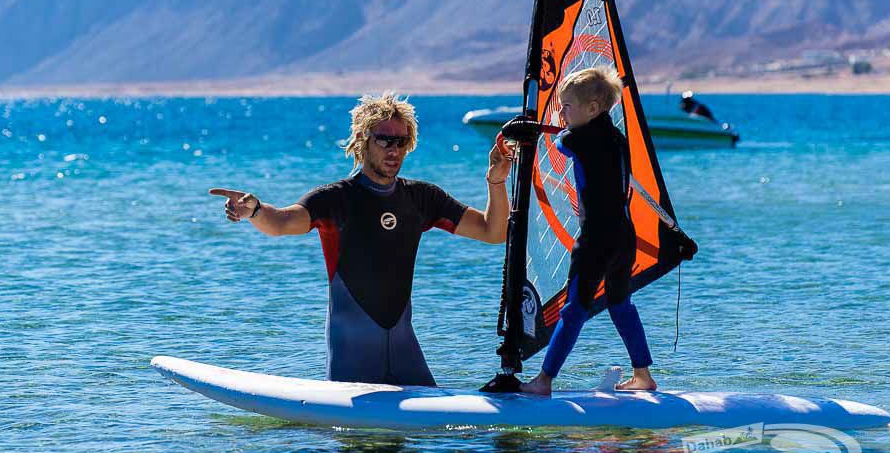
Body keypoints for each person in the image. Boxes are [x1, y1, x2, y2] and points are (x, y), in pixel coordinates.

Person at [210, 91, 513, 387]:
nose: (394, 150)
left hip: (405, 355)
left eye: (401, 141)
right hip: (352, 362)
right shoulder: (335, 199)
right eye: (384, 140)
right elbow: (281, 222)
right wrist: (256, 211)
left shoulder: (422, 198)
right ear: (362, 140)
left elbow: (493, 231)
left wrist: (496, 180)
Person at [521, 67, 656, 396]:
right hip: (623, 236)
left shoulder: (579, 138)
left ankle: (543, 381)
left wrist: (528, 128)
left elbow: (559, 143)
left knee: (574, 309)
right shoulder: (618, 138)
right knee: (620, 305)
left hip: (596, 239)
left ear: (593, 108)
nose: (562, 114)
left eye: (567, 106)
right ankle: (643, 375)